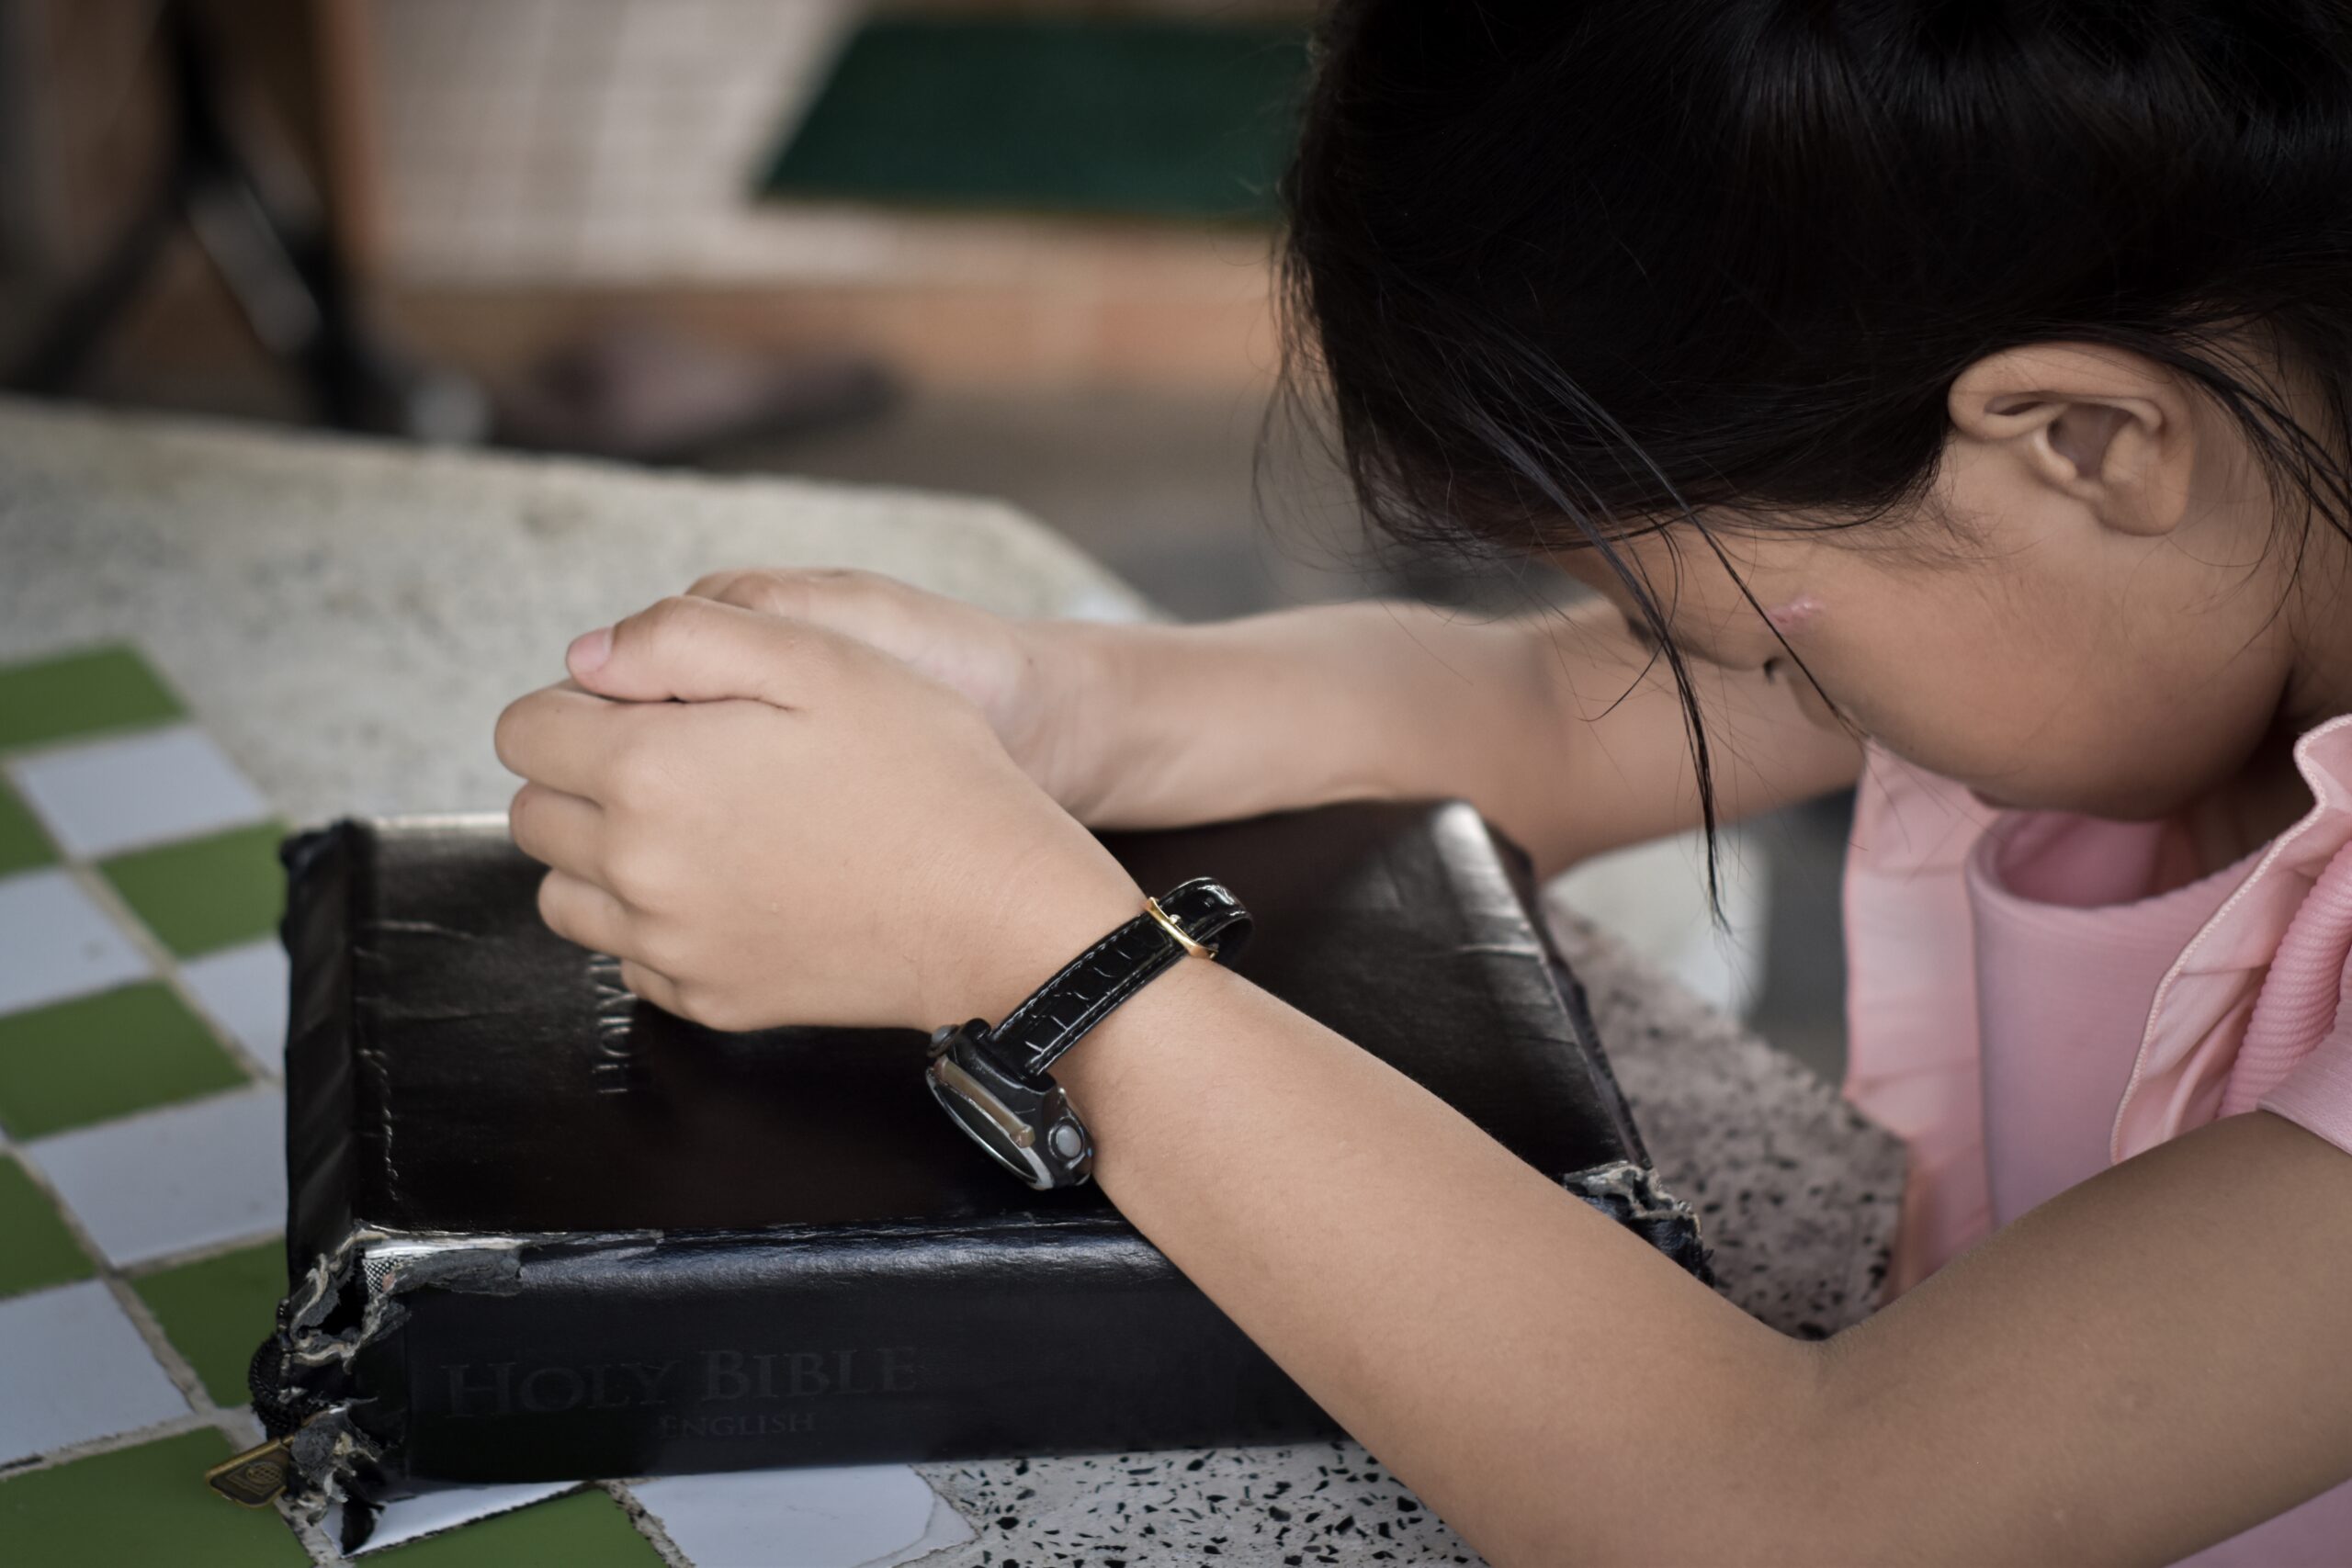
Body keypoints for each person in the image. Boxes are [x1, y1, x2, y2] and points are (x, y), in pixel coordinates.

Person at [491, 3, 2352, 1561]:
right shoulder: (2128, 580)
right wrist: (1055, 704)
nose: (1731, 687)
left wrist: (1028, 948)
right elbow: (1538, 713)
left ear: (2087, 442)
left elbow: (1792, 1506)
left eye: (1771, 651)